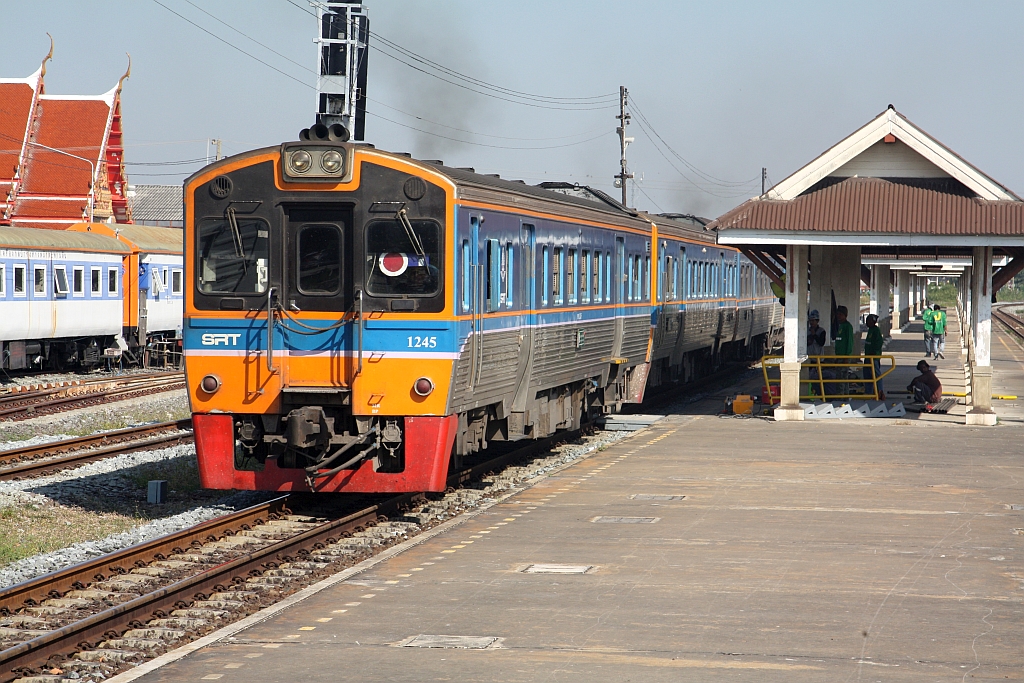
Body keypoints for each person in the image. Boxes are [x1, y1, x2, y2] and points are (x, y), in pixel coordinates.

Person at [864, 313, 885, 399]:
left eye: (869, 320)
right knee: (867, 375)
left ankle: (880, 391)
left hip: (873, 357)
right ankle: (868, 392)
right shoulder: (870, 330)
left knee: (876, 374)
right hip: (867, 356)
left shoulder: (876, 331)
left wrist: (874, 353)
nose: (867, 322)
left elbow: (879, 343)